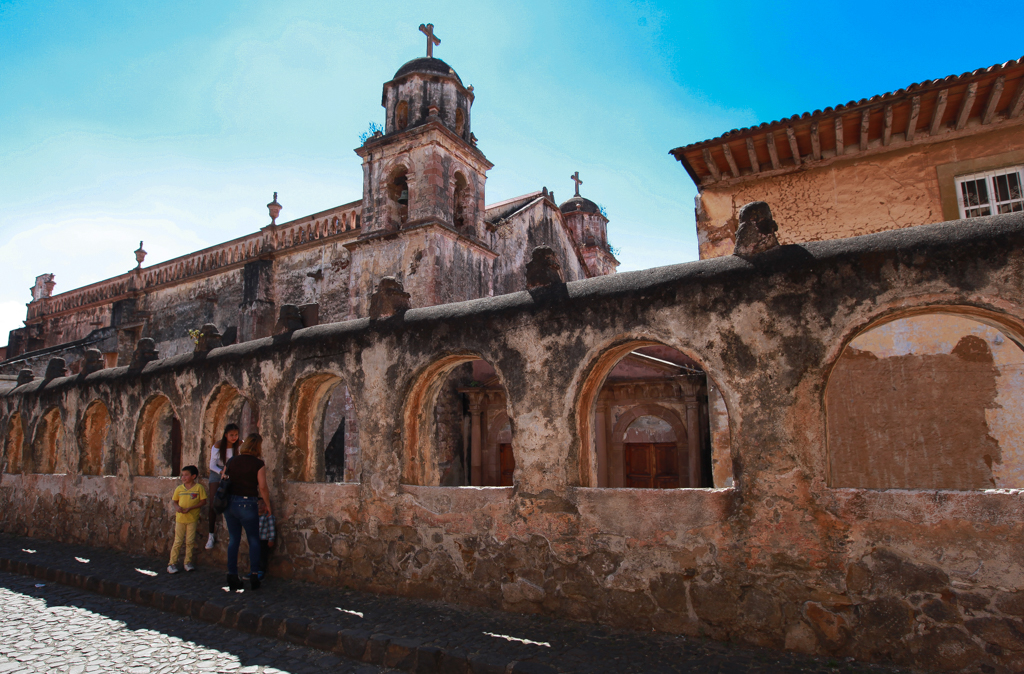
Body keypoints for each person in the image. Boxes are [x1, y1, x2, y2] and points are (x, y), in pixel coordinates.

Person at [222, 433, 271, 590]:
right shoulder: (258, 464)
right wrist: (268, 505)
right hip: (247, 503)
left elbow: (224, 476)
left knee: (234, 539)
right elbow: (262, 487)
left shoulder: (232, 461)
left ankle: (232, 574)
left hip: (230, 503)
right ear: (258, 447)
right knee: (254, 540)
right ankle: (255, 574)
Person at [167, 465, 207, 574]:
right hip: (180, 518)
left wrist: (191, 508)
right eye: (182, 475)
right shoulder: (179, 489)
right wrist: (177, 508)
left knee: (190, 541)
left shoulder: (199, 488)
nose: (183, 477)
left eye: (186, 475)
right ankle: (172, 563)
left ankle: (187, 562)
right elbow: (175, 501)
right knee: (178, 541)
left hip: (192, 518)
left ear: (193, 476)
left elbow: (203, 501)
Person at [206, 423, 240, 549]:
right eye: (231, 435)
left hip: (232, 470)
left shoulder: (239, 444)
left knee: (232, 501)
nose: (234, 437)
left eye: (236, 434)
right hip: (218, 471)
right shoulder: (218, 445)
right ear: (226, 435)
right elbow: (212, 465)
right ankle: (211, 534)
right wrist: (222, 472)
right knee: (213, 503)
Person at [257, 498, 276, 581]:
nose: (259, 506)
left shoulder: (268, 516)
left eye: (262, 504)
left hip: (264, 540)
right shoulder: (254, 517)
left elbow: (272, 528)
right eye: (257, 504)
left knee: (263, 556)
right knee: (255, 555)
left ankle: (261, 570)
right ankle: (255, 570)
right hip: (256, 540)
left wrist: (271, 539)